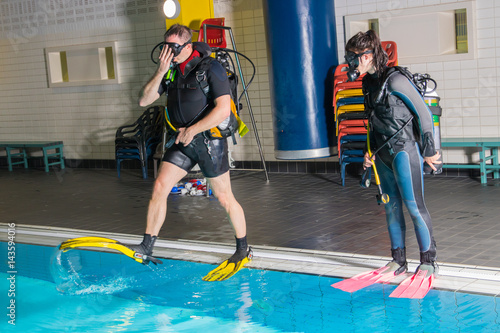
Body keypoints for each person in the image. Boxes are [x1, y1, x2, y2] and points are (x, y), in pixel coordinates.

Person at [132, 24, 251, 281]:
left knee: (224, 197)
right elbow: (143, 99)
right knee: (160, 187)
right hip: (182, 141)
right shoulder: (171, 72)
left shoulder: (210, 68)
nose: (168, 52)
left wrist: (193, 130)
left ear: (187, 47)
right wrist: (161, 71)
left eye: (173, 48)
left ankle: (243, 249)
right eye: (165, 46)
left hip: (209, 141)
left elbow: (222, 110)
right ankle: (147, 245)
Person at [333, 30, 441, 298]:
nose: (350, 63)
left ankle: (428, 262)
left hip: (404, 151)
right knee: (391, 208)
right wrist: (368, 153)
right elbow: (372, 121)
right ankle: (399, 261)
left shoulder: (396, 80)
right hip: (381, 153)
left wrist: (430, 151)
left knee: (415, 207)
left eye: (352, 58)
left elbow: (423, 114)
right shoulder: (367, 83)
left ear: (367, 57)